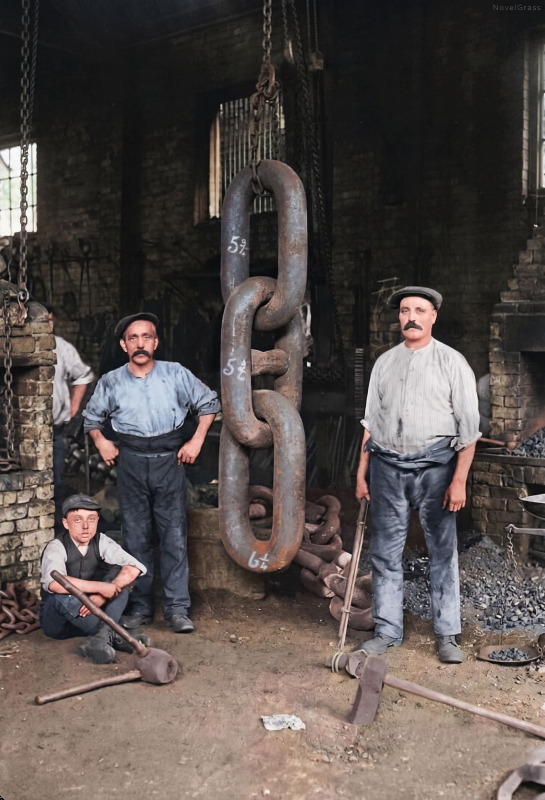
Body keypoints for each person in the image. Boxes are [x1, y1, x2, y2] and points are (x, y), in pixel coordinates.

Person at [355, 286, 480, 664]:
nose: (411, 316)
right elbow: (370, 425)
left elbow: (469, 429)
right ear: (399, 318)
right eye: (405, 310)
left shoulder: (452, 362)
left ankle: (447, 635)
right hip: (387, 469)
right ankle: (387, 630)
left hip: (436, 470)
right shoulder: (384, 363)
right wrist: (361, 474)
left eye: (419, 310)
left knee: (442, 552)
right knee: (385, 553)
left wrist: (458, 480)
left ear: (433, 317)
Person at [82, 312, 221, 634]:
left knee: (174, 536)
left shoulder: (176, 374)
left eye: (146, 337)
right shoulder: (112, 381)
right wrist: (102, 441)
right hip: (129, 461)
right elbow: (91, 419)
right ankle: (141, 607)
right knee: (135, 537)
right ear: (123, 344)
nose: (140, 343)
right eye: (133, 338)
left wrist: (196, 441)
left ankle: (177, 609)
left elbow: (209, 404)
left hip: (169, 461)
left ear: (156, 343)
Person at [40, 493, 148, 664]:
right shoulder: (56, 546)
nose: (85, 526)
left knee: (120, 580)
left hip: (92, 613)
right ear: (66, 523)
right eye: (77, 520)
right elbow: (54, 584)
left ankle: (99, 640)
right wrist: (100, 588)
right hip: (60, 622)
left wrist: (103, 593)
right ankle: (117, 636)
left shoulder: (101, 541)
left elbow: (135, 567)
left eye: (91, 519)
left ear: (97, 520)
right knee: (62, 595)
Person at [46, 306, 95, 528]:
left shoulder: (62, 348)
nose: (47, 324)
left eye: (49, 319)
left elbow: (83, 376)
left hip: (54, 431)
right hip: (17, 435)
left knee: (54, 482)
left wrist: (73, 409)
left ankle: (52, 530)